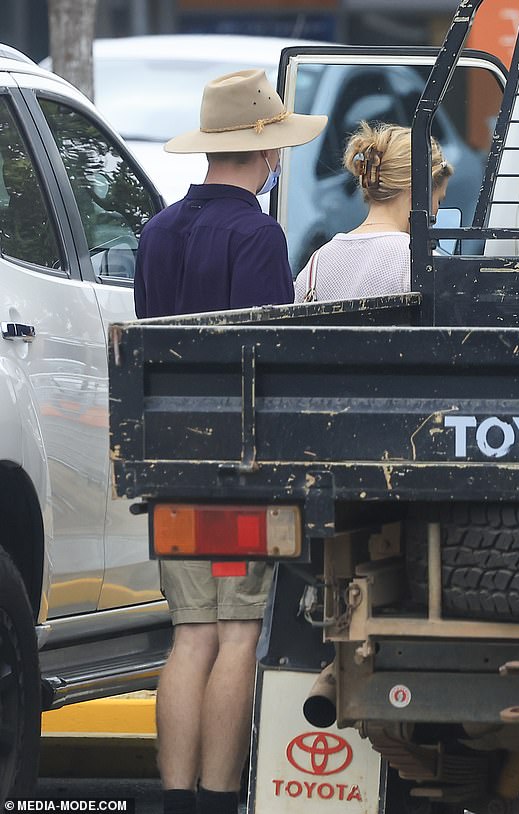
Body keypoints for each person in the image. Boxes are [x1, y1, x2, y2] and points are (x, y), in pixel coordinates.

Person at [134, 69, 326, 814]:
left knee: (190, 636)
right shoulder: (257, 233)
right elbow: (267, 357)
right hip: (241, 468)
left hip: (173, 462)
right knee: (238, 632)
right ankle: (219, 799)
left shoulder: (155, 232)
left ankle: (175, 800)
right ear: (264, 151)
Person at [294, 122, 453, 302]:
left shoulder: (316, 264)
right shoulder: (423, 265)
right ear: (419, 192)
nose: (437, 211)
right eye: (438, 200)